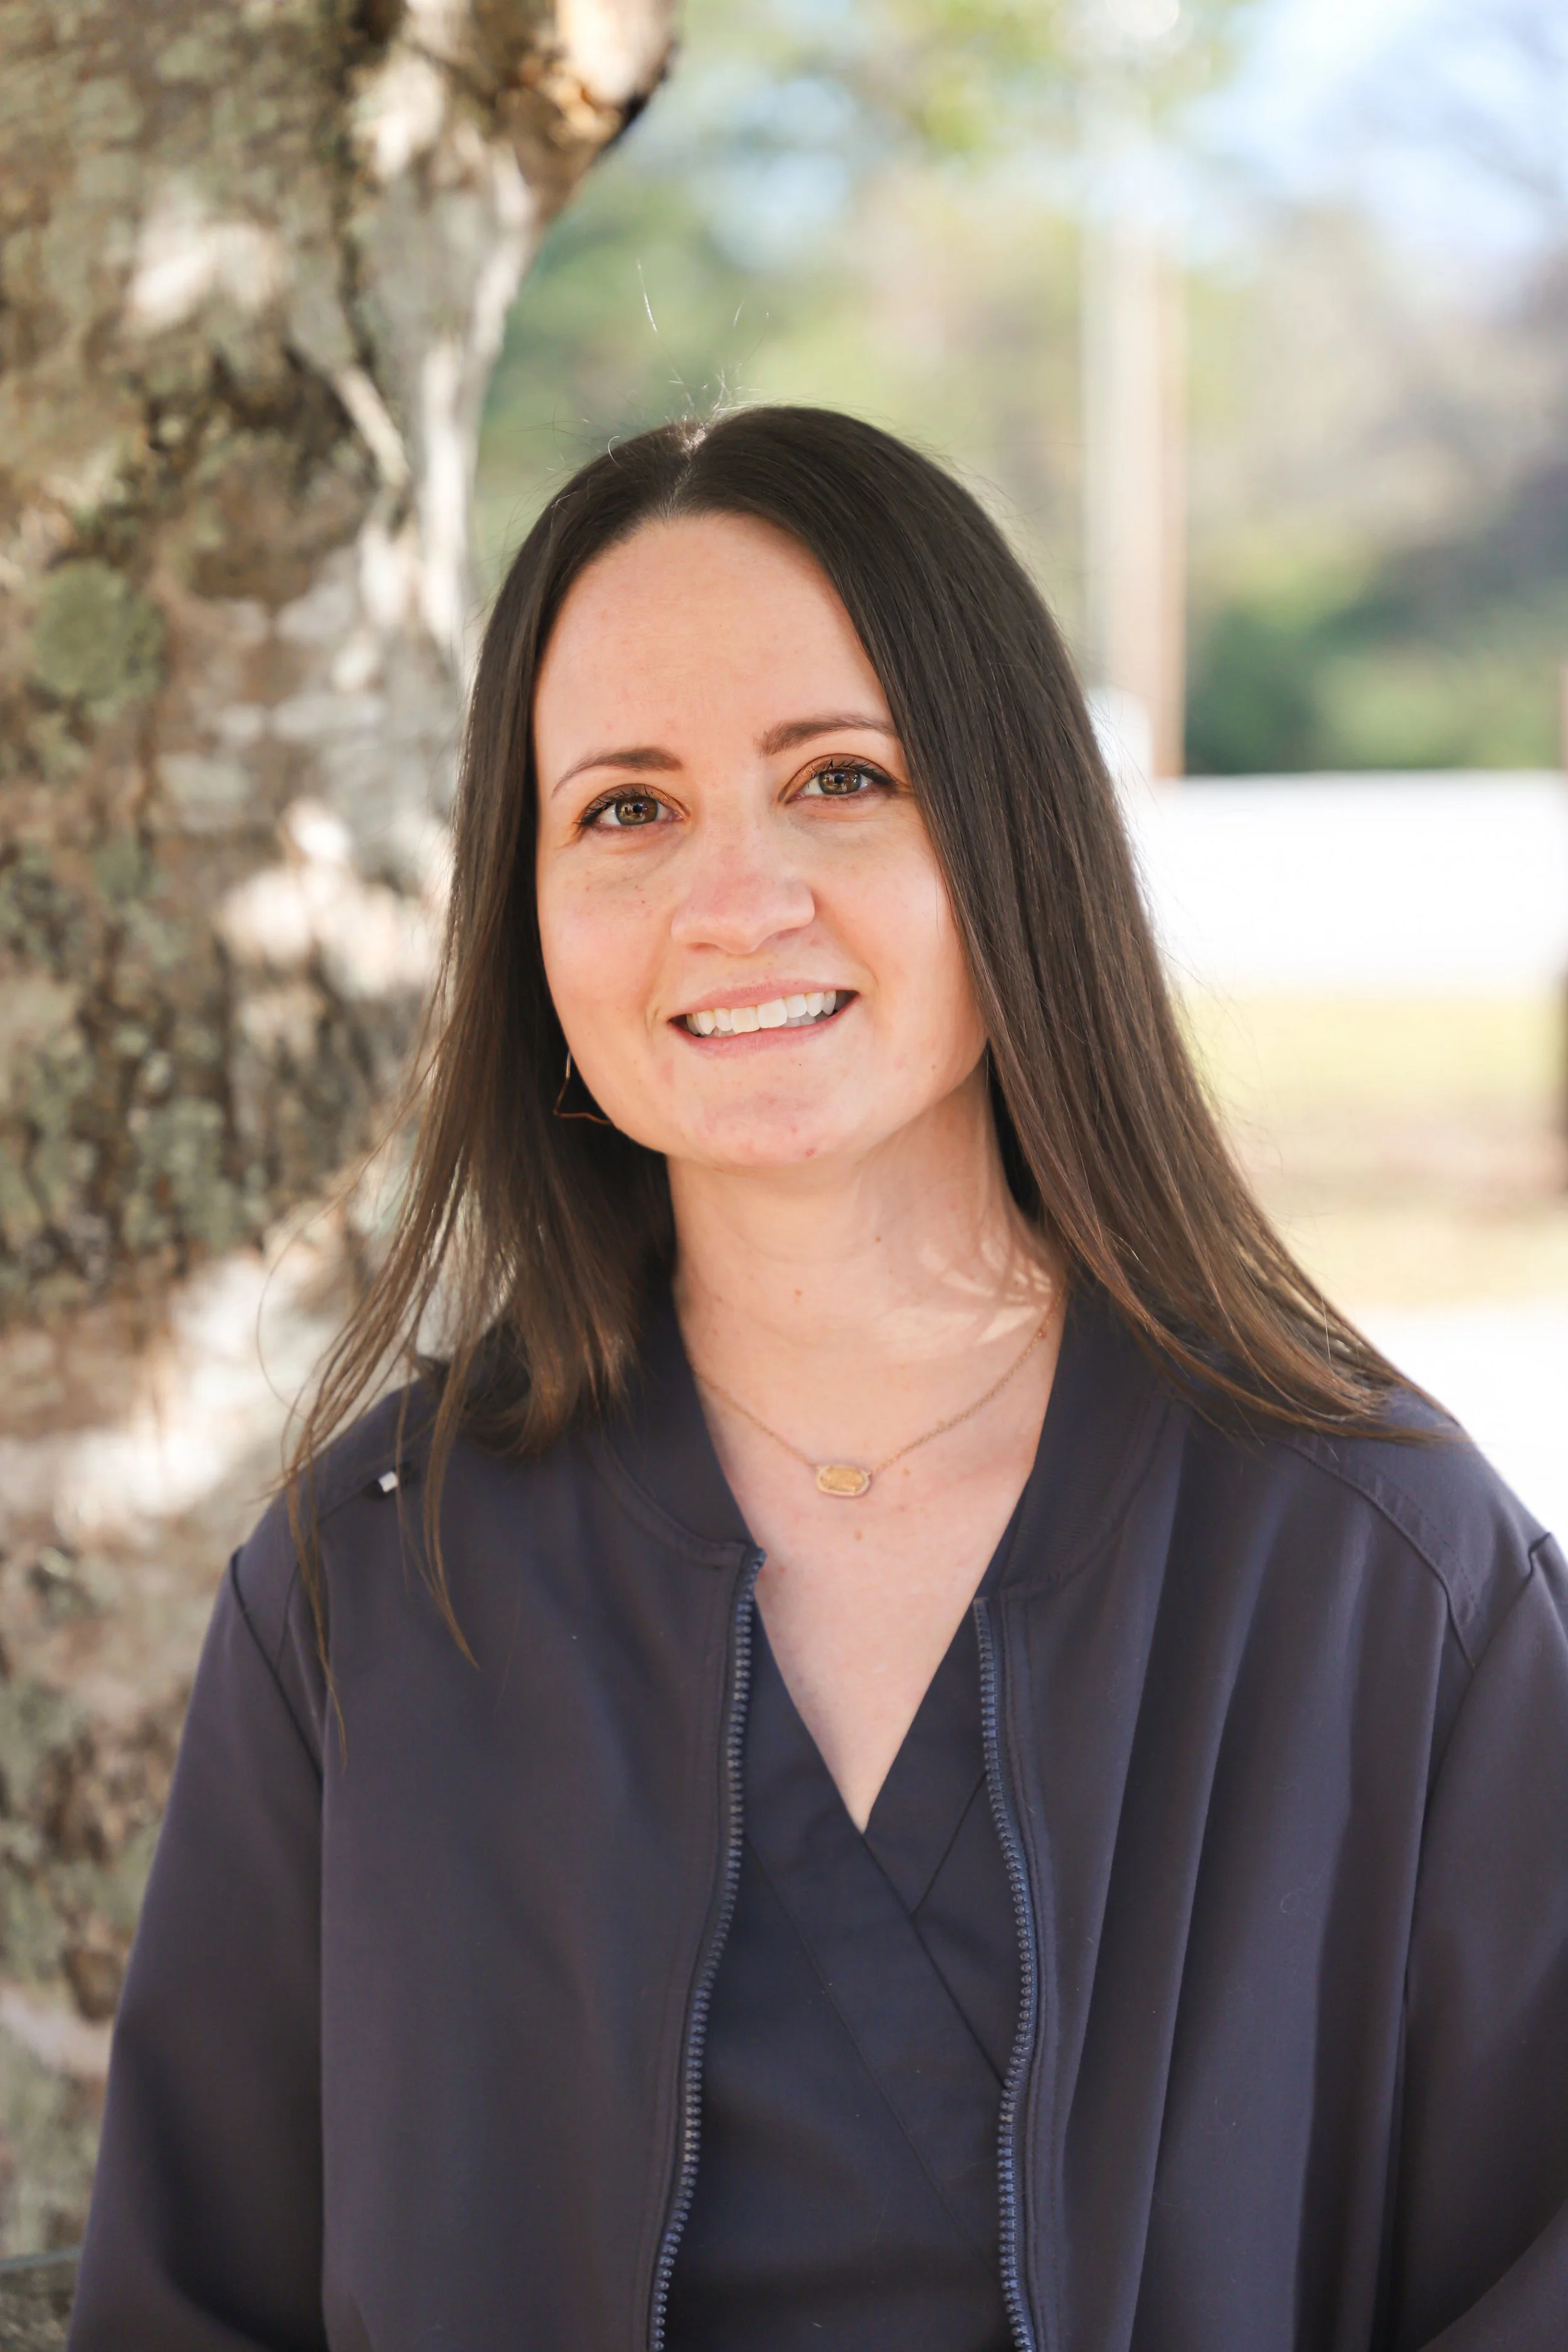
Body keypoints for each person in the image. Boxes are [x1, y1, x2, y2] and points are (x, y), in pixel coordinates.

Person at [70, 408, 1568, 2352]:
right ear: (529, 912)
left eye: (840, 778)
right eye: (625, 807)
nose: (732, 895)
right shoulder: (375, 1581)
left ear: (1010, 836)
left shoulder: (1379, 1565)